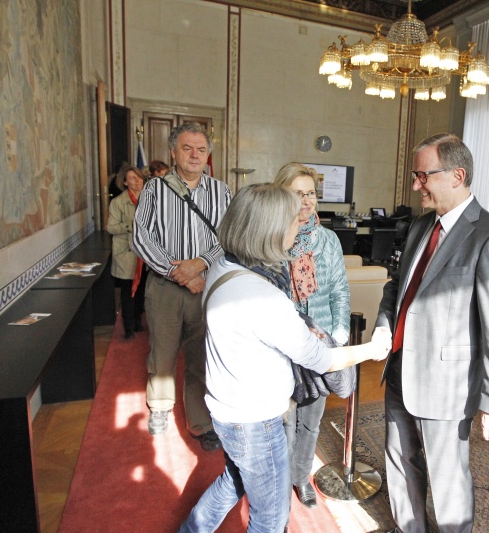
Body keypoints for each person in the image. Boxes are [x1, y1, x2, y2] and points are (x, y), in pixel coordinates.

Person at [178, 184, 390, 533]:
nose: (300, 223)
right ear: (270, 230)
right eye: (293, 220)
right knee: (271, 519)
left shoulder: (224, 265)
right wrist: (372, 350)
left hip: (226, 408)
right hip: (254, 421)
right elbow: (319, 359)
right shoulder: (261, 295)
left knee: (234, 481)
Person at [374, 133, 489, 533]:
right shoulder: (421, 226)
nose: (416, 184)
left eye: (424, 175)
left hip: (446, 385)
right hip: (400, 370)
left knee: (447, 481)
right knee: (401, 465)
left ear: (457, 175)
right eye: (415, 175)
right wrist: (383, 330)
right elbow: (397, 287)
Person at [132, 122, 231, 451]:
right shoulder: (154, 189)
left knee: (201, 357)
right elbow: (141, 237)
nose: (194, 155)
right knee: (162, 354)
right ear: (173, 152)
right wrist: (177, 272)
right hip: (165, 288)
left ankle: (201, 422)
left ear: (208, 155)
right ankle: (160, 409)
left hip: (207, 286)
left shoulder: (222, 191)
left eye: (201, 150)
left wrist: (200, 264)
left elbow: (229, 237)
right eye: (187, 148)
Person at [272, 163, 350, 509]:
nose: (306, 201)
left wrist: (339, 335)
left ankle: (300, 477)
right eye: (298, 193)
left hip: (320, 345)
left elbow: (339, 291)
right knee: (285, 418)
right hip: (283, 343)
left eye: (311, 193)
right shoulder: (272, 238)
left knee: (312, 422)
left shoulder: (328, 239)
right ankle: (279, 479)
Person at [107, 163, 148, 338]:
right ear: (124, 183)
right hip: (127, 253)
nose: (137, 181)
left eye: (138, 177)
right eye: (132, 178)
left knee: (142, 291)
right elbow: (111, 227)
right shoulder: (118, 202)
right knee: (128, 292)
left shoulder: (151, 198)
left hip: (146, 253)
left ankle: (138, 321)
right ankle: (128, 328)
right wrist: (132, 225)